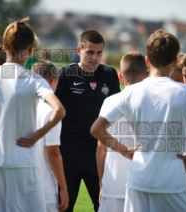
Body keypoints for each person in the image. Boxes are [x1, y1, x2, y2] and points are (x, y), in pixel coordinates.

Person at [90, 29, 186, 212]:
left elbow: (97, 129)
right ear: (175, 61)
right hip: (172, 182)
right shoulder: (184, 92)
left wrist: (124, 150)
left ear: (147, 61)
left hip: (138, 179)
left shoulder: (131, 92)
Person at [0, 17, 65, 212]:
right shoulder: (35, 80)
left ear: (3, 48)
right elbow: (59, 111)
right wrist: (37, 135)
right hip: (25, 164)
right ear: (29, 50)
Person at [55, 29, 120, 212]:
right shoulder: (65, 75)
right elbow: (51, 112)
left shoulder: (109, 75)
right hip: (69, 152)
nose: (95, 57)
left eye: (99, 53)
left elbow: (117, 115)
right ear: (79, 50)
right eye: (90, 52)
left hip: (98, 153)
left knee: (104, 206)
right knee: (63, 206)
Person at [96, 51, 148, 212]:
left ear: (120, 76)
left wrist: (101, 182)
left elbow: (101, 149)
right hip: (144, 184)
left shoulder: (109, 102)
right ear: (146, 76)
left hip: (113, 182)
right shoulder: (155, 103)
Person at [31, 61, 69, 212]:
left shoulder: (20, 106)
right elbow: (54, 155)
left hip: (20, 185)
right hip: (43, 189)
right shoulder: (50, 112)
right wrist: (64, 189)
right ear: (51, 82)